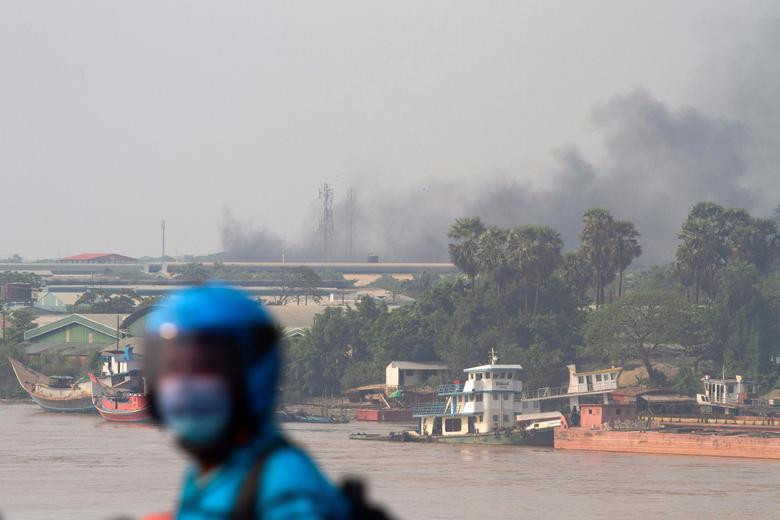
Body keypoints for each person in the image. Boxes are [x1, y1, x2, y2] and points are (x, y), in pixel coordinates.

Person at [143, 284, 351, 520]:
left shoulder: (283, 480)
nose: (185, 385)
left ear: (252, 377)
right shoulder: (209, 472)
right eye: (173, 368)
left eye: (207, 368)